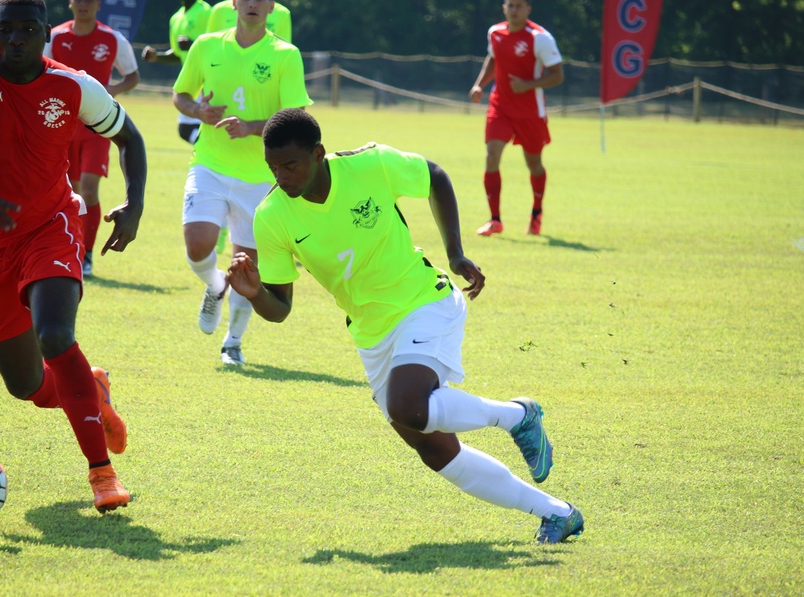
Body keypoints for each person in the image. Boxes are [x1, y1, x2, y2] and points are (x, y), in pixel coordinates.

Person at [227, 108, 585, 544]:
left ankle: (517, 415)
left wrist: (455, 252)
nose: (281, 176)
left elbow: (435, 177)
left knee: (409, 407)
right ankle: (556, 513)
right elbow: (280, 307)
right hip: (371, 332)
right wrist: (253, 293)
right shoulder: (272, 216)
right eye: (273, 167)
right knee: (433, 448)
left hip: (424, 300)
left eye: (291, 165)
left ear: (318, 154)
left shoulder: (369, 164)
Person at [0, 0, 147, 513]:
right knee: (29, 387)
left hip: (52, 225)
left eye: (28, 29)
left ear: (44, 34)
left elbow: (129, 137)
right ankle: (93, 392)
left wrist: (135, 204)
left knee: (56, 335)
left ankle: (103, 475)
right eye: (5, 29)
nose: (15, 38)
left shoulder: (73, 85)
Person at [172, 0, 311, 366]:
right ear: (234, 3)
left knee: (247, 265)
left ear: (270, 6)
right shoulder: (206, 45)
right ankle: (214, 285)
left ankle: (232, 342)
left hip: (262, 176)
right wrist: (198, 111)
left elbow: (296, 118)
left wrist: (250, 127)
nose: (252, 3)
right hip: (210, 164)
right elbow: (180, 95)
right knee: (198, 245)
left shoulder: (285, 54)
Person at [44, 0, 140, 277]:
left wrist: (110, 91)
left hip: (98, 128)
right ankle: (68, 248)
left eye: (90, 0)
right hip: (61, 126)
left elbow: (132, 76)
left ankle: (86, 254)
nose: (84, 5)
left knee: (88, 190)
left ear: (98, 5)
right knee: (69, 193)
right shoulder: (56, 36)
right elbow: (43, 71)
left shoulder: (112, 39)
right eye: (79, 0)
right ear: (71, 4)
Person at [469, 0, 563, 237]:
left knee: (534, 164)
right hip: (500, 108)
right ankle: (495, 220)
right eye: (510, 5)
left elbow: (557, 75)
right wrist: (479, 85)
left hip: (530, 113)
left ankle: (536, 213)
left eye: (519, 6)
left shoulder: (540, 38)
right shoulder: (495, 32)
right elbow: (493, 59)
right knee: (491, 157)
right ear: (504, 8)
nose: (514, 10)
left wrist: (528, 85)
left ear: (528, 9)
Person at [140, 0, 212, 145]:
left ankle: (210, 155)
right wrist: (157, 56)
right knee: (186, 129)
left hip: (209, 77)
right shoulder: (176, 18)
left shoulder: (206, 12)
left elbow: (217, 45)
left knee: (205, 126)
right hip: (191, 80)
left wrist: (192, 44)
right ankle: (211, 153)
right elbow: (178, 54)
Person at [206, 0, 291, 42]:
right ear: (234, 3)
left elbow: (284, 45)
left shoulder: (282, 13)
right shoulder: (219, 10)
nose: (252, 5)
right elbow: (210, 46)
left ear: (271, 6)